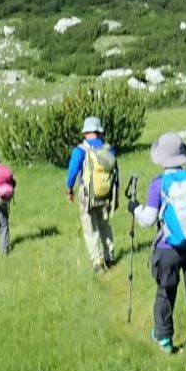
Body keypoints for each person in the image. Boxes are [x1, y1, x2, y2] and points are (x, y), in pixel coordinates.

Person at [133, 132, 186, 353]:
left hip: (167, 248)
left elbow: (148, 220)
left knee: (166, 291)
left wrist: (135, 209)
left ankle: (164, 337)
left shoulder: (158, 185)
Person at [65, 116, 119, 271]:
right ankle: (110, 257)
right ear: (100, 132)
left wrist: (69, 190)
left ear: (86, 133)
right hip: (107, 194)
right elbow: (116, 173)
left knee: (90, 228)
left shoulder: (80, 150)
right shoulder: (109, 149)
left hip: (88, 195)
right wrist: (117, 195)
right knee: (105, 225)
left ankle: (97, 262)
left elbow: (72, 172)